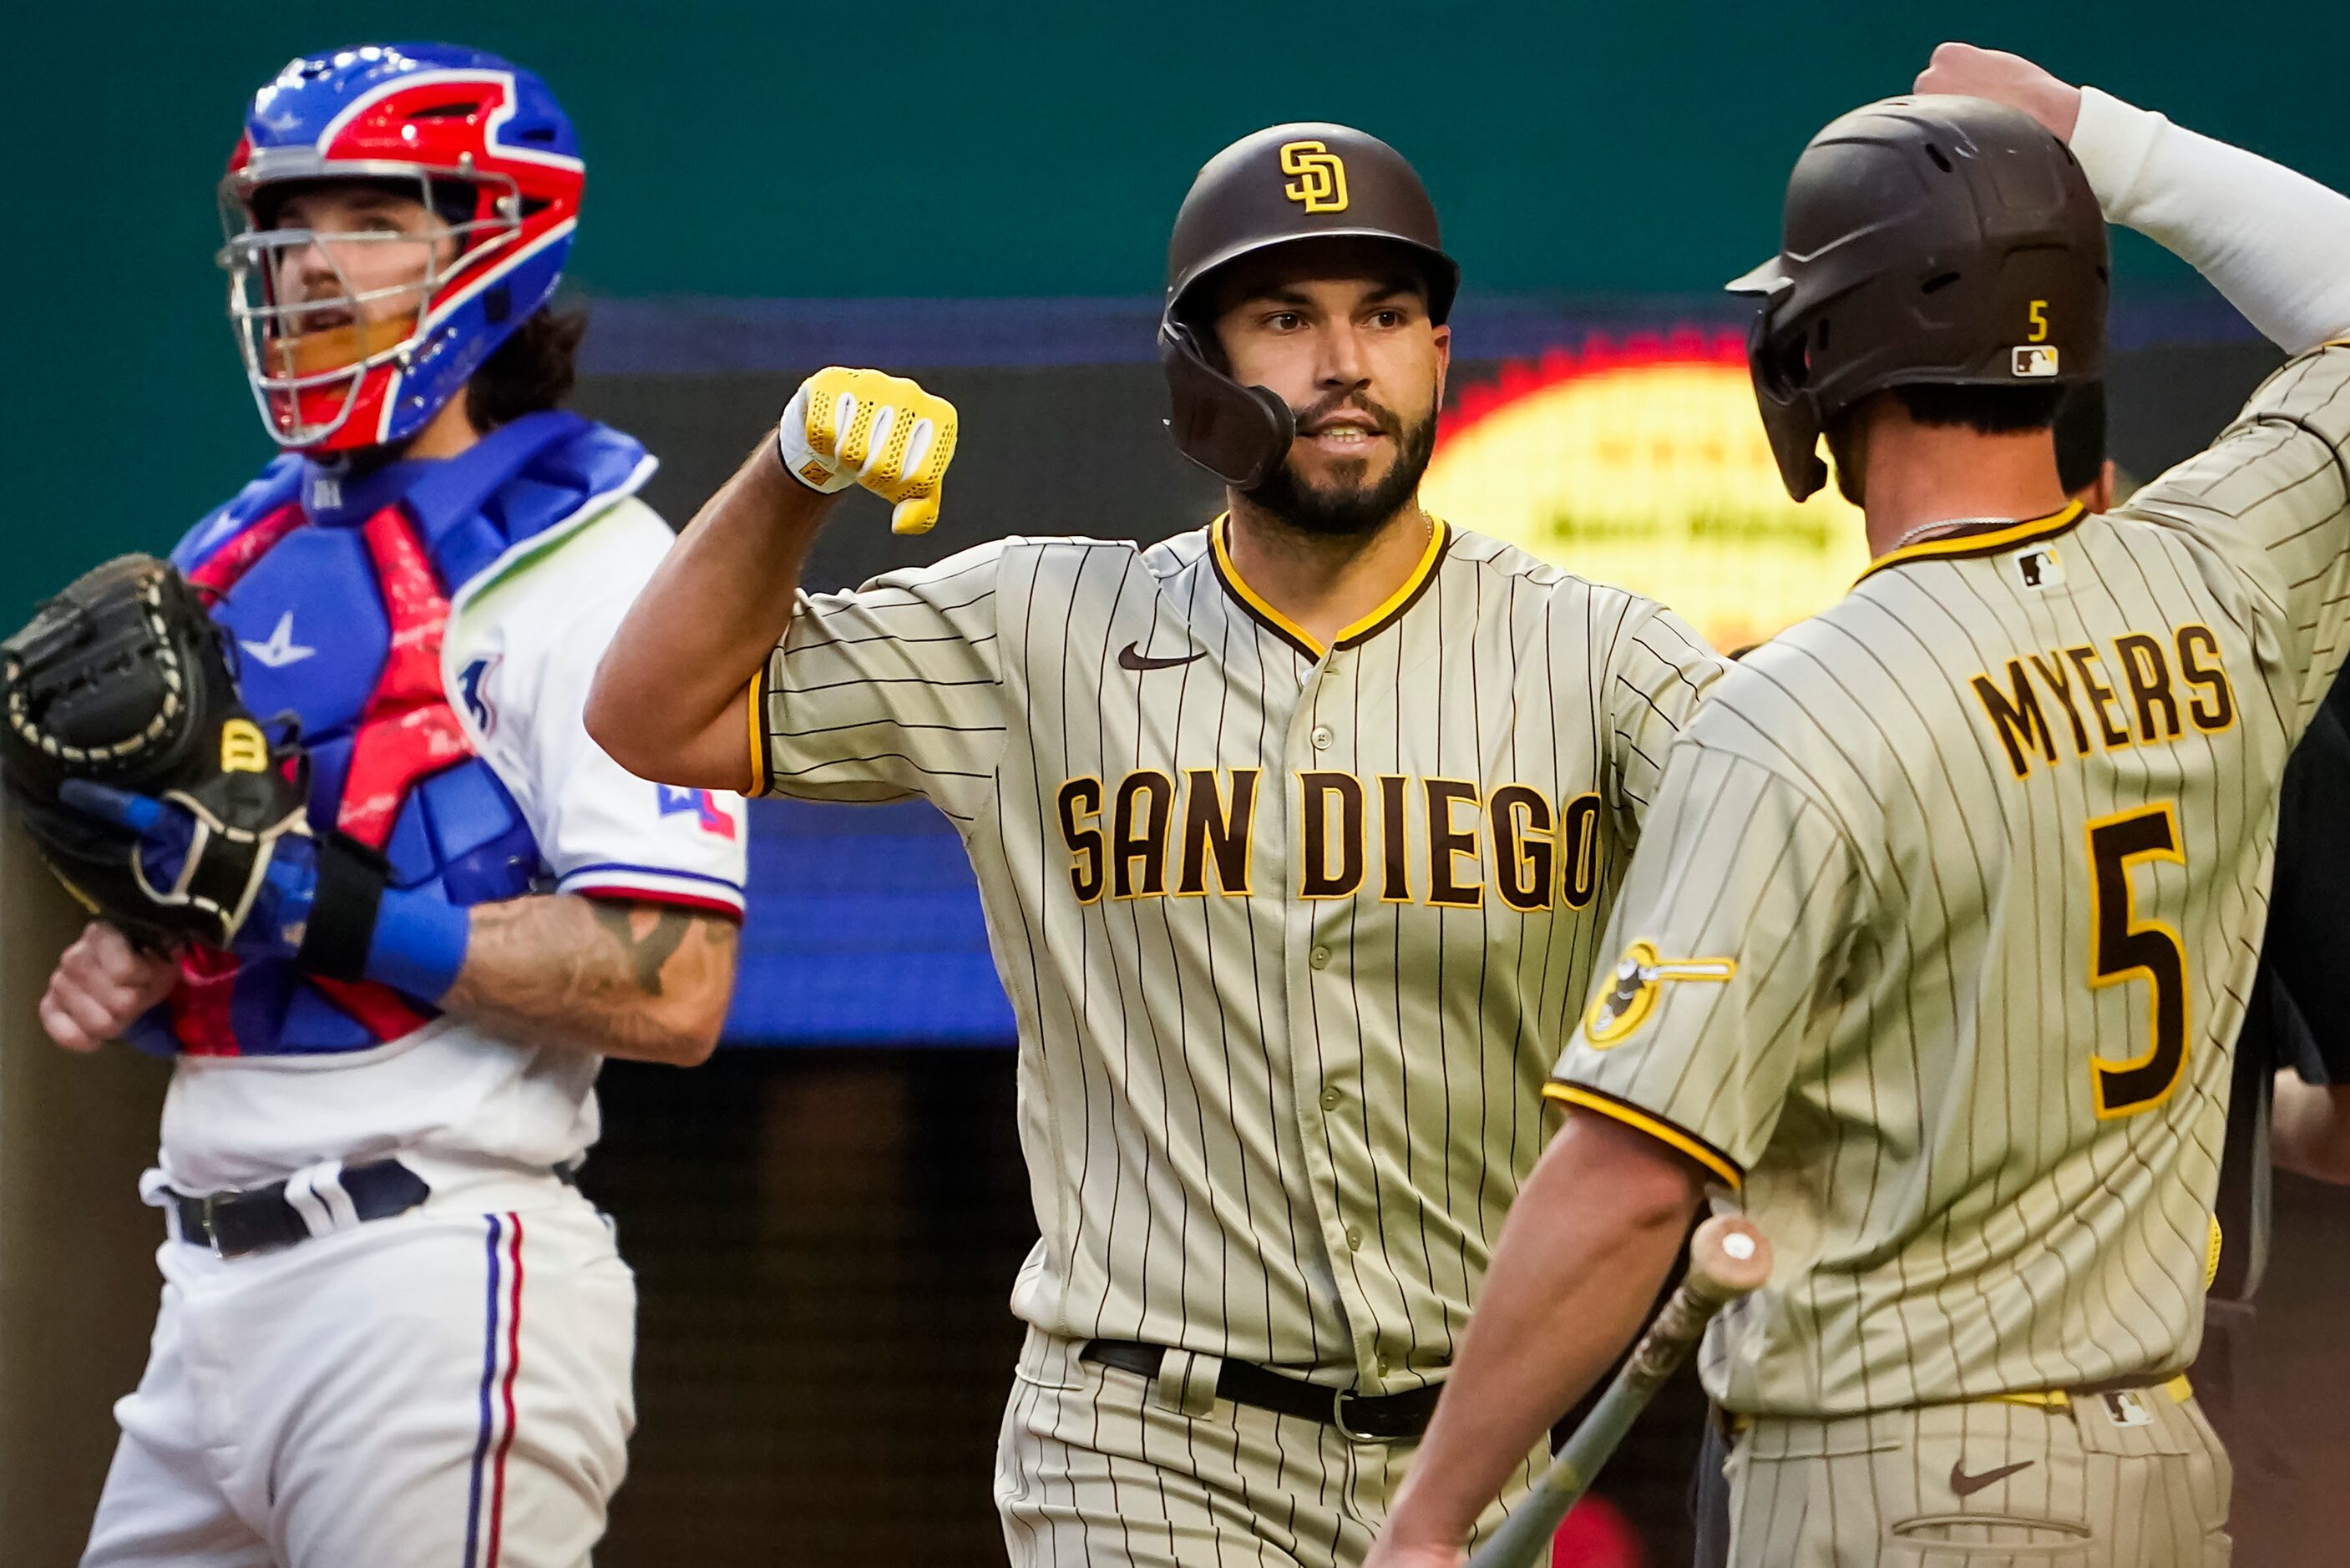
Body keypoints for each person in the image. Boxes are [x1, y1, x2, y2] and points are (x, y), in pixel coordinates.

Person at [586, 124, 1725, 1565]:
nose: (1342, 364)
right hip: (1141, 1438)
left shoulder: (1602, 655)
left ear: (1439, 351)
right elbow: (650, 713)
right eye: (1284, 318)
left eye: (1382, 317)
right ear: (1198, 371)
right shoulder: (1032, 629)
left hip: (1478, 1451)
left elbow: (1828, 848)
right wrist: (791, 475)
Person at [1365, 48, 2350, 1568]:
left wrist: (1426, 1520)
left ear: (1822, 353)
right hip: (2160, 1468)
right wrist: (2114, 145)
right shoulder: (2222, 583)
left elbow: (1629, 1183)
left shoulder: (1793, 713)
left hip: (1898, 1483)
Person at [37, 43, 746, 1566]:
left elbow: (676, 981)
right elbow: (232, 896)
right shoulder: (229, 554)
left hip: (431, 1274)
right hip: (203, 1294)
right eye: (286, 225)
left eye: (367, 219)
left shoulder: (601, 563)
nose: (307, 267)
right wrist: (152, 943)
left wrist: (304, 900)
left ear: (491, 236)